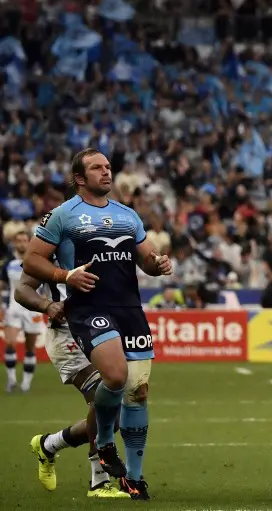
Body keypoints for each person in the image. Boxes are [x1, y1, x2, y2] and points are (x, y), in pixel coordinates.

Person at [22, 148, 173, 500]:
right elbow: (31, 261)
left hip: (129, 309)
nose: (106, 172)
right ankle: (103, 448)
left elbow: (147, 259)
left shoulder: (127, 215)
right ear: (79, 178)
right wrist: (64, 276)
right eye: (96, 168)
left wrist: (158, 264)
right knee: (116, 376)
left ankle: (131, 478)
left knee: (138, 392)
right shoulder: (63, 215)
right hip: (88, 308)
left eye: (107, 167)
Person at [15, 268, 128, 498]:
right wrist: (47, 305)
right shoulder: (51, 247)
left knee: (114, 417)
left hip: (102, 329)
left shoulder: (104, 245)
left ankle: (48, 445)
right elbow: (21, 289)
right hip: (68, 335)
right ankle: (99, 482)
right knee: (103, 401)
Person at [1, 230, 44, 393]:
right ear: (14, 243)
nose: (21, 243)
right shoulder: (8, 263)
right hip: (13, 308)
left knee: (30, 348)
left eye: (24, 240)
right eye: (18, 240)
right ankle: (11, 379)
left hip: (33, 309)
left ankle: (26, 383)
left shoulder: (37, 262)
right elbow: (2, 285)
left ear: (29, 242)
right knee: (10, 344)